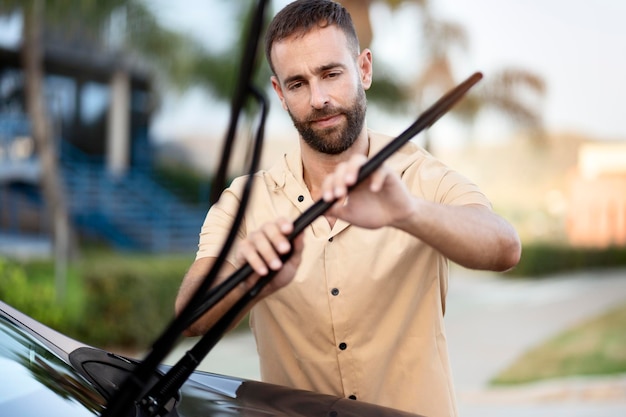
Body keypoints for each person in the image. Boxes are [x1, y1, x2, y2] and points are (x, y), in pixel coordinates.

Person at [175, 1, 521, 416]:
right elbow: (190, 316)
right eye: (298, 84)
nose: (319, 98)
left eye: (331, 73)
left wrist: (408, 212)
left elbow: (505, 247)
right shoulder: (245, 200)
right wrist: (255, 284)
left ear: (364, 70)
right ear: (279, 94)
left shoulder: (420, 176)